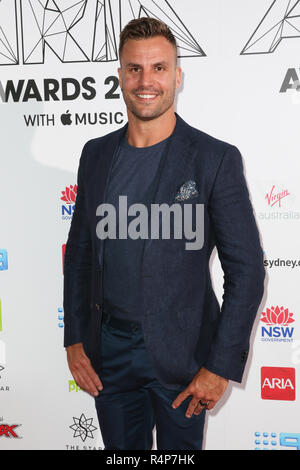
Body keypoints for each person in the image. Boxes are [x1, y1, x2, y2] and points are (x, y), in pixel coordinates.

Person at [63, 17, 265, 450]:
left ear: (177, 75)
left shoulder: (214, 159)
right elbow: (79, 253)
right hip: (109, 354)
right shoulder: (95, 155)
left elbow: (247, 270)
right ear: (120, 75)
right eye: (134, 68)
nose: (145, 80)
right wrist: (75, 338)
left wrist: (219, 366)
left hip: (185, 357)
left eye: (158, 68)